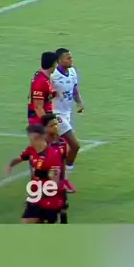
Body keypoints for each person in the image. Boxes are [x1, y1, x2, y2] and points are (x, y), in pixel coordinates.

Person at [4, 124, 65, 223]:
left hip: (50, 199)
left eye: (30, 137)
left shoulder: (52, 156)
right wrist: (10, 165)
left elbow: (55, 184)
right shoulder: (31, 150)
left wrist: (37, 194)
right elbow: (21, 157)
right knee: (27, 221)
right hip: (36, 197)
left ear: (35, 137)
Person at [51, 48, 84, 177]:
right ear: (59, 60)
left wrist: (79, 103)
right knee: (75, 146)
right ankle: (65, 175)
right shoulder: (53, 76)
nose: (71, 60)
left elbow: (74, 89)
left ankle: (55, 173)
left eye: (71, 57)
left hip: (67, 113)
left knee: (61, 148)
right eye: (68, 58)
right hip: (56, 114)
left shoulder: (72, 72)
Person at [41, 112, 73, 219]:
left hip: (59, 185)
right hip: (45, 186)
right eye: (52, 125)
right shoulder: (40, 146)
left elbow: (63, 163)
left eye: (56, 124)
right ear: (44, 128)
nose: (56, 127)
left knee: (63, 210)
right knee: (48, 216)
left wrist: (62, 181)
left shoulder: (62, 143)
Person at [27, 51, 57, 124]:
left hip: (44, 117)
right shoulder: (40, 81)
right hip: (39, 122)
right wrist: (47, 124)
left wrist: (53, 94)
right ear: (53, 64)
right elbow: (38, 107)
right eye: (56, 63)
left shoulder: (44, 77)